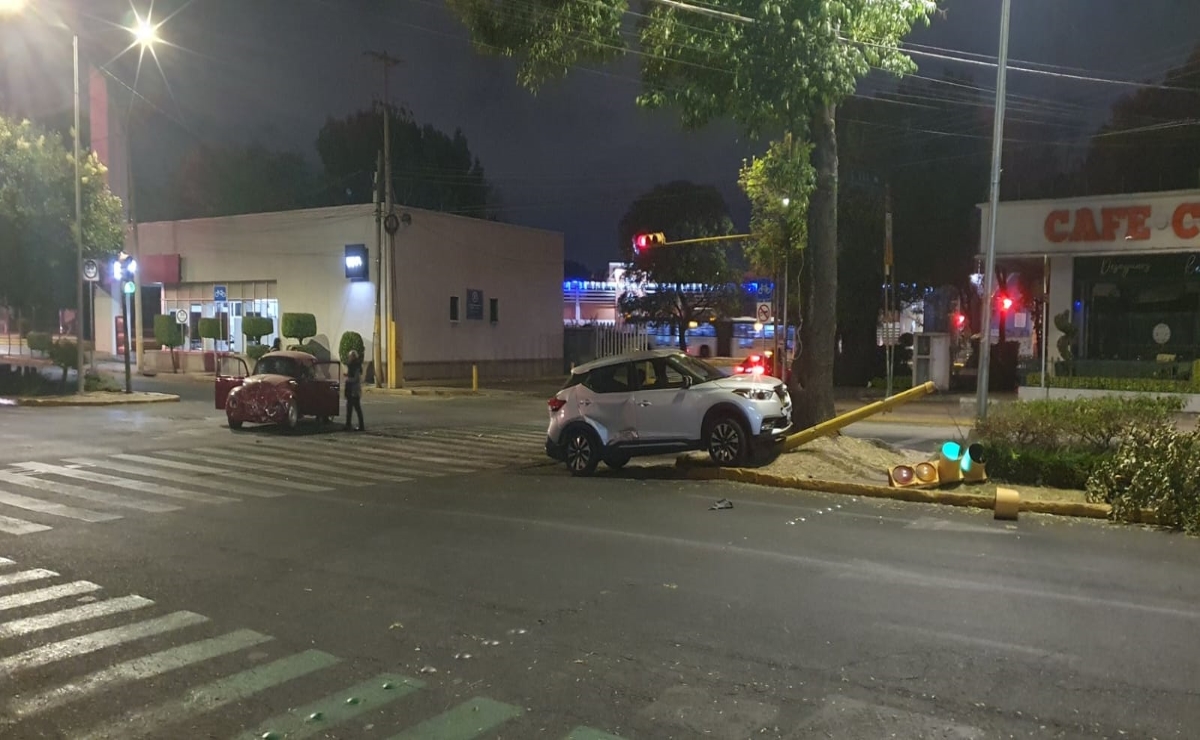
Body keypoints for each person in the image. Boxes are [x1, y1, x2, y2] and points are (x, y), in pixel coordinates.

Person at [343, 349, 364, 431]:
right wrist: (347, 375)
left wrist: (348, 380)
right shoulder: (351, 365)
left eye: (350, 356)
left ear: (353, 357)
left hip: (354, 390)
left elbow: (356, 378)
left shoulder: (356, 366)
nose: (349, 358)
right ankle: (348, 424)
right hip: (350, 389)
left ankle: (361, 426)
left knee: (357, 408)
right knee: (349, 408)